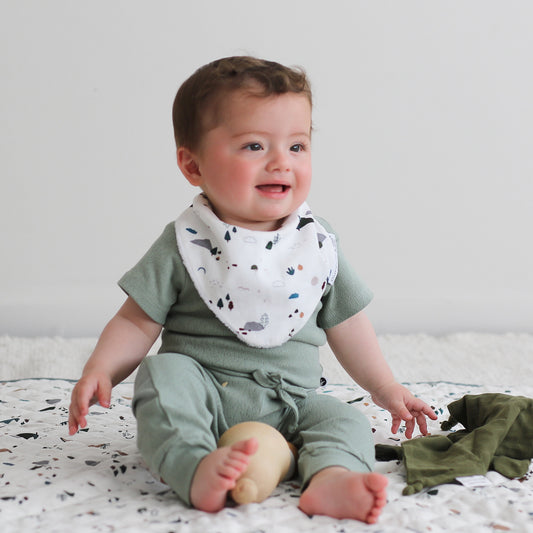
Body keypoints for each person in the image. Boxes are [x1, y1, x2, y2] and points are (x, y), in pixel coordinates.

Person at [69, 56, 437, 524]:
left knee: (343, 419)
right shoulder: (186, 242)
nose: (281, 161)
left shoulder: (316, 242)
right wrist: (101, 369)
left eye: (298, 146)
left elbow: (346, 322)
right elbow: (135, 320)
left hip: (291, 403)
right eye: (254, 145)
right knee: (161, 377)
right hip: (204, 394)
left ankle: (330, 480)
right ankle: (195, 464)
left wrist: (386, 387)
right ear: (192, 164)